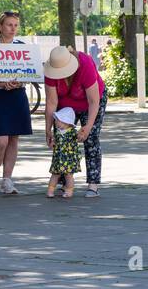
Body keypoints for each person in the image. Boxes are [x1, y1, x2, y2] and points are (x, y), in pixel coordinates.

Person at [43, 44, 106, 197]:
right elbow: (51, 102)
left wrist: (88, 126)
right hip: (65, 105)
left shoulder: (85, 64)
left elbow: (93, 101)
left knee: (90, 138)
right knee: (62, 139)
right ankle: (65, 181)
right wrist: (48, 131)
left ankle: (93, 184)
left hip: (90, 103)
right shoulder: (50, 72)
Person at [0, 11, 33, 195]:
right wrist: (0, 83)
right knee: (1, 140)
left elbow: (30, 71)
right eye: (9, 25)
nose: (13, 29)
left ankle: (7, 179)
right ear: (0, 27)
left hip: (17, 95)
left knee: (13, 139)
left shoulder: (22, 47)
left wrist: (19, 81)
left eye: (16, 25)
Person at [47, 107, 81, 198]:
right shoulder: (58, 132)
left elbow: (78, 139)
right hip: (58, 158)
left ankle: (69, 191)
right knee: (55, 174)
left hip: (69, 158)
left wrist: (80, 135)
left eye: (58, 120)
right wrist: (52, 143)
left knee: (68, 175)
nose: (56, 122)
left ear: (67, 122)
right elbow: (55, 141)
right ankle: (50, 190)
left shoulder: (72, 132)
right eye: (56, 120)